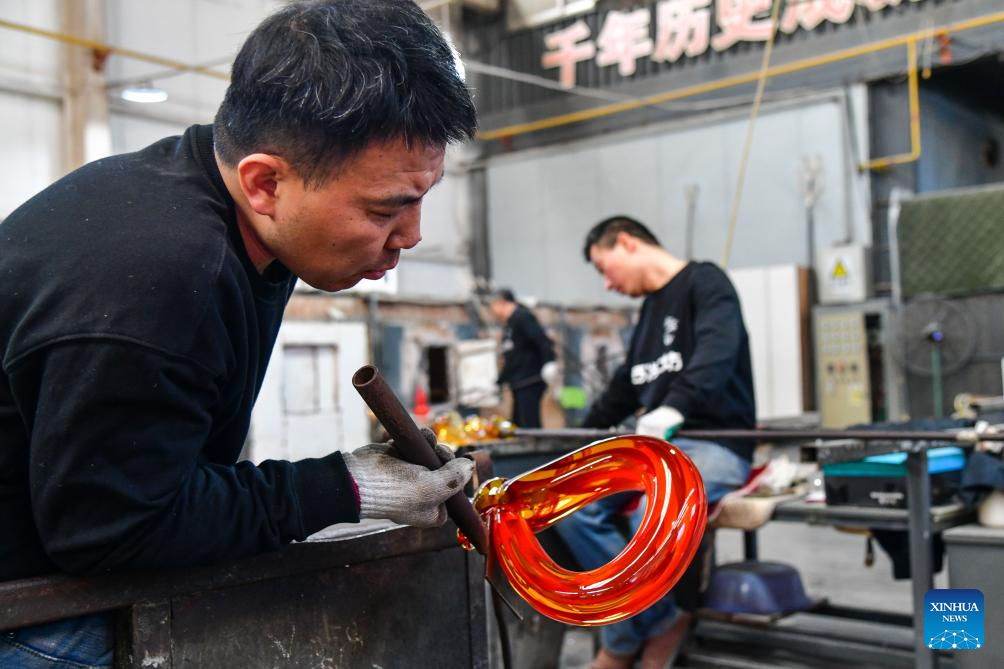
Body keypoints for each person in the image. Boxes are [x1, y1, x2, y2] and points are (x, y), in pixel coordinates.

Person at [0, 1, 476, 666]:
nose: (413, 236)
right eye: (384, 208)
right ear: (265, 182)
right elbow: (111, 529)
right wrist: (346, 487)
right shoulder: (165, 270)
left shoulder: (237, 221)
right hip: (29, 613)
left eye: (422, 198)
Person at [555, 215, 756, 669]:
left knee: (655, 510)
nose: (606, 284)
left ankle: (621, 643)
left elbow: (716, 351)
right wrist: (583, 434)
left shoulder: (707, 284)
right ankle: (658, 615)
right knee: (571, 508)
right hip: (656, 449)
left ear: (627, 243)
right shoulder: (648, 312)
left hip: (716, 444)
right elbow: (627, 384)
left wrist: (674, 407)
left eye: (604, 268)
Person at [488, 288, 559, 428]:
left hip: (529, 381)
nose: (493, 311)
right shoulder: (510, 324)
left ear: (501, 303)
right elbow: (512, 358)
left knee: (529, 423)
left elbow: (542, 340)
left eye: (493, 306)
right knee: (518, 424)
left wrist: (549, 361)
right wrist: (499, 382)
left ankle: (536, 449)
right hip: (518, 383)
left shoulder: (522, 317)